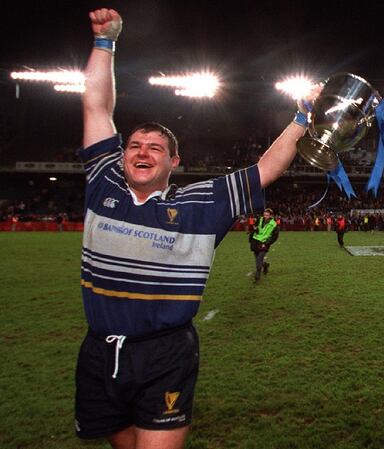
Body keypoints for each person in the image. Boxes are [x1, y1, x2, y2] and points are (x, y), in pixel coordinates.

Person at [74, 8, 315, 448]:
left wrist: (301, 119)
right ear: (120, 154)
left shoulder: (201, 203)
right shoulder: (103, 180)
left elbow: (265, 169)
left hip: (165, 352)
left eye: (155, 148)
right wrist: (104, 42)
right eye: (134, 145)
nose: (141, 152)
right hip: (99, 349)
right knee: (116, 435)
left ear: (174, 162)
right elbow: (95, 105)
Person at [249, 208, 280, 283]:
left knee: (259, 259)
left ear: (270, 216)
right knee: (257, 258)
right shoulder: (260, 219)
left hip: (264, 243)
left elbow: (275, 237)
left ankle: (257, 276)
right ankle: (265, 265)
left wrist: (267, 243)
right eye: (264, 214)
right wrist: (254, 228)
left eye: (267, 215)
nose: (265, 216)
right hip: (256, 241)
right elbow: (255, 227)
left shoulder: (274, 224)